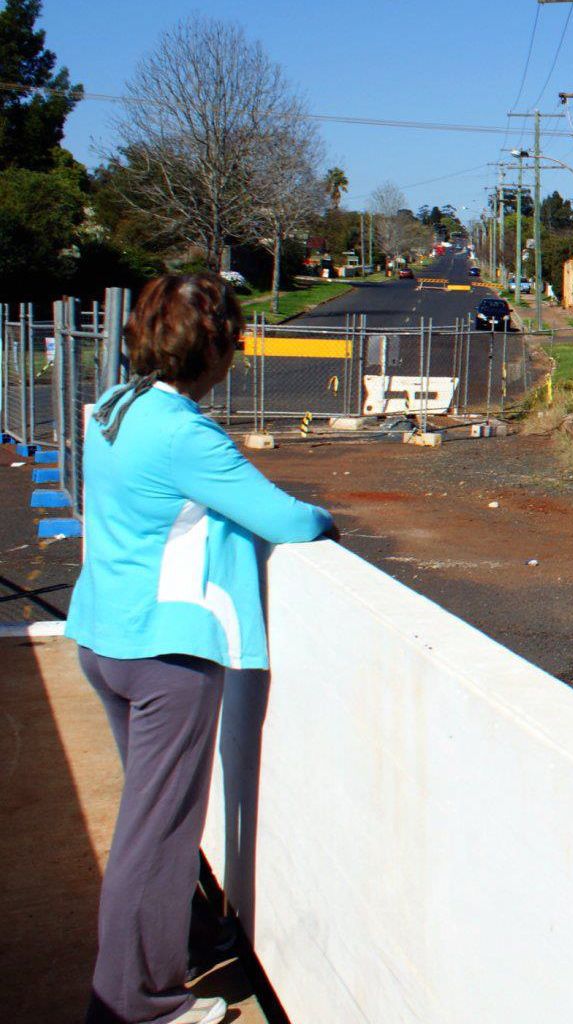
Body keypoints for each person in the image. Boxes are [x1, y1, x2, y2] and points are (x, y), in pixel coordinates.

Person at [65, 273, 334, 1024]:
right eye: (236, 340)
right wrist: (325, 516)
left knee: (149, 826)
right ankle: (137, 1004)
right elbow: (286, 520)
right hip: (166, 659)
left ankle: (176, 944)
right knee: (156, 839)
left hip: (105, 639)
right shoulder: (185, 433)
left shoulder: (118, 408)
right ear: (214, 351)